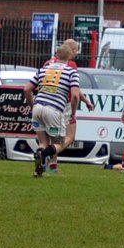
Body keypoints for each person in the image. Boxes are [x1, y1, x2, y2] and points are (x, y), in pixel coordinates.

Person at [23, 42, 81, 178]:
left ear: (56, 55)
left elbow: (27, 89)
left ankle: (38, 170)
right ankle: (42, 155)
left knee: (43, 142)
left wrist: (32, 106)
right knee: (59, 143)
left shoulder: (43, 70)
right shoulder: (71, 72)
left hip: (37, 108)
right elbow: (75, 96)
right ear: (70, 57)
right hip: (54, 110)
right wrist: (73, 113)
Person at [51, 38, 95, 174]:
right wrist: (86, 102)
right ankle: (47, 154)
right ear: (73, 50)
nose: (76, 54)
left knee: (53, 137)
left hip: (48, 103)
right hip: (64, 104)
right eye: (76, 51)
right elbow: (74, 90)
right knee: (69, 137)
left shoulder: (49, 62)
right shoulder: (71, 65)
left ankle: (52, 166)